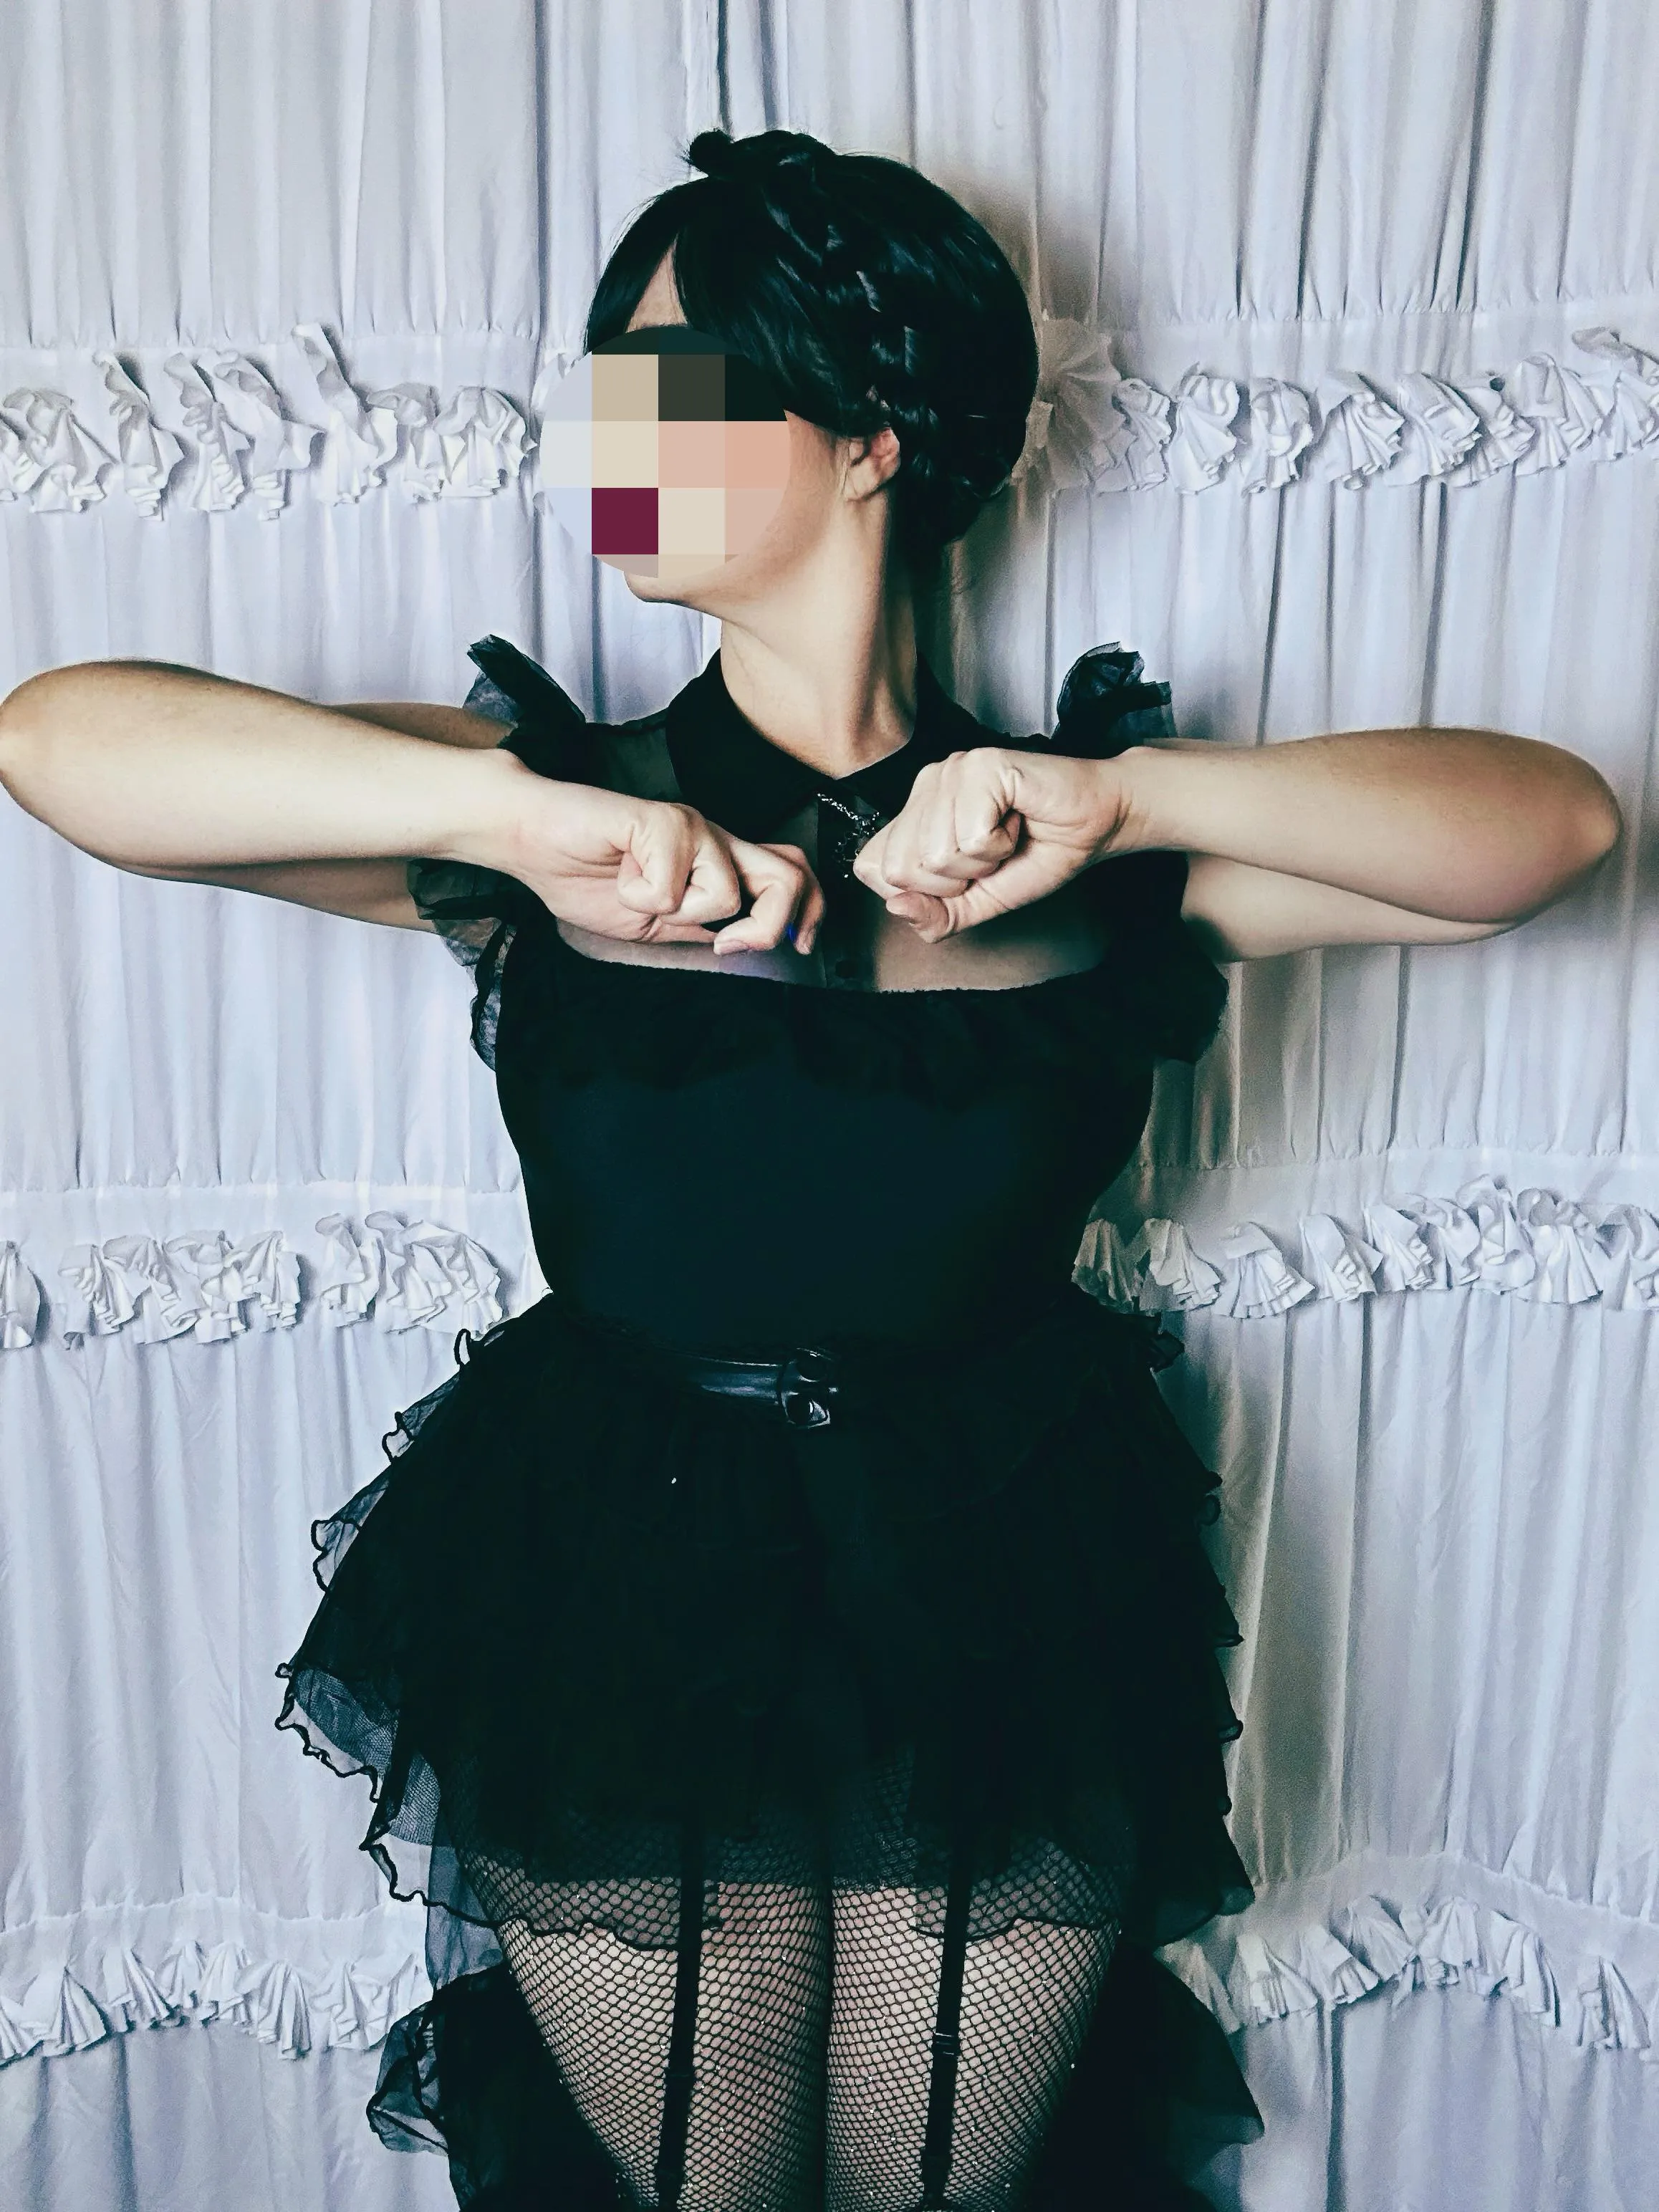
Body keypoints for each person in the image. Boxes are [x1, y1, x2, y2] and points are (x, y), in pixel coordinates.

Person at [0, 127, 1620, 2212]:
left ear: (871, 437)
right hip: (611, 1574)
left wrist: (1127, 800)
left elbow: (1551, 831)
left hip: (1002, 1579)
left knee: (953, 2183)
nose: (609, 436)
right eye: (602, 384)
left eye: (669, 384)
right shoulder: (550, 800)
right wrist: (517, 824)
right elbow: (57, 739)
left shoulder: (1075, 835)